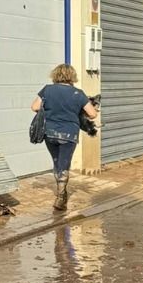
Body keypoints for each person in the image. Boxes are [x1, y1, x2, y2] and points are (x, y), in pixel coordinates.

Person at [31, 64, 96, 214]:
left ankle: (61, 192)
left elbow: (34, 107)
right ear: (72, 76)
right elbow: (92, 114)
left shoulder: (47, 90)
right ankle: (61, 196)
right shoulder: (78, 93)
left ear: (55, 75)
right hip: (69, 135)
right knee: (64, 163)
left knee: (56, 161)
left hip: (50, 133)